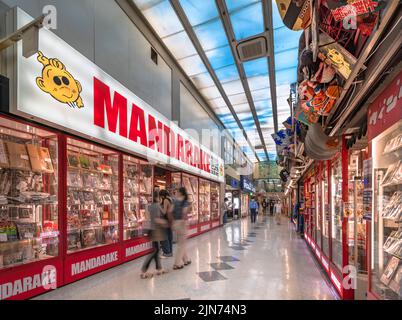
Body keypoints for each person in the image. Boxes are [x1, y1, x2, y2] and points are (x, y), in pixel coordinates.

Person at [140, 190, 169, 279]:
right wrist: (165, 222)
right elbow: (157, 219)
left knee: (156, 250)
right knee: (155, 251)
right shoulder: (157, 206)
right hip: (156, 230)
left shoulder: (150, 206)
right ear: (158, 197)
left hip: (152, 230)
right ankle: (144, 269)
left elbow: (148, 217)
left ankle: (159, 268)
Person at [171, 187, 191, 270]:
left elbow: (169, 211)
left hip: (175, 222)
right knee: (182, 244)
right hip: (182, 223)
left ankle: (186, 259)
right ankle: (177, 263)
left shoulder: (174, 201)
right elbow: (184, 212)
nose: (176, 192)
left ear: (180, 192)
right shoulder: (185, 202)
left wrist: (172, 221)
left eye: (177, 191)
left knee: (181, 242)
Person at [159, 189, 173, 258]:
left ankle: (166, 252)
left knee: (164, 236)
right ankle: (170, 252)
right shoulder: (170, 199)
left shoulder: (165, 200)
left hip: (166, 220)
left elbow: (164, 212)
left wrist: (159, 206)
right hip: (170, 220)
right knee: (169, 236)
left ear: (162, 195)